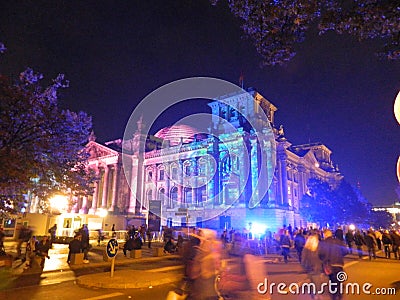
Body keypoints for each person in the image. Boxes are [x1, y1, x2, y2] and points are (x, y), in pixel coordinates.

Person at [318, 229, 348, 300]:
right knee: (339, 279)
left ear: (325, 235)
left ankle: (334, 295)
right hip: (339, 264)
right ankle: (339, 294)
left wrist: (323, 259)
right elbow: (346, 251)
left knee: (332, 280)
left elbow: (320, 253)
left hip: (329, 264)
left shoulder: (323, 243)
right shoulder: (338, 241)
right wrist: (340, 255)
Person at [301, 233, 323, 300]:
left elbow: (303, 260)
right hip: (317, 268)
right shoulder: (318, 248)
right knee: (317, 282)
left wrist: (305, 267)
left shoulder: (306, 249)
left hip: (310, 269)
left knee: (313, 282)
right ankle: (316, 294)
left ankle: (315, 294)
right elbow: (322, 258)